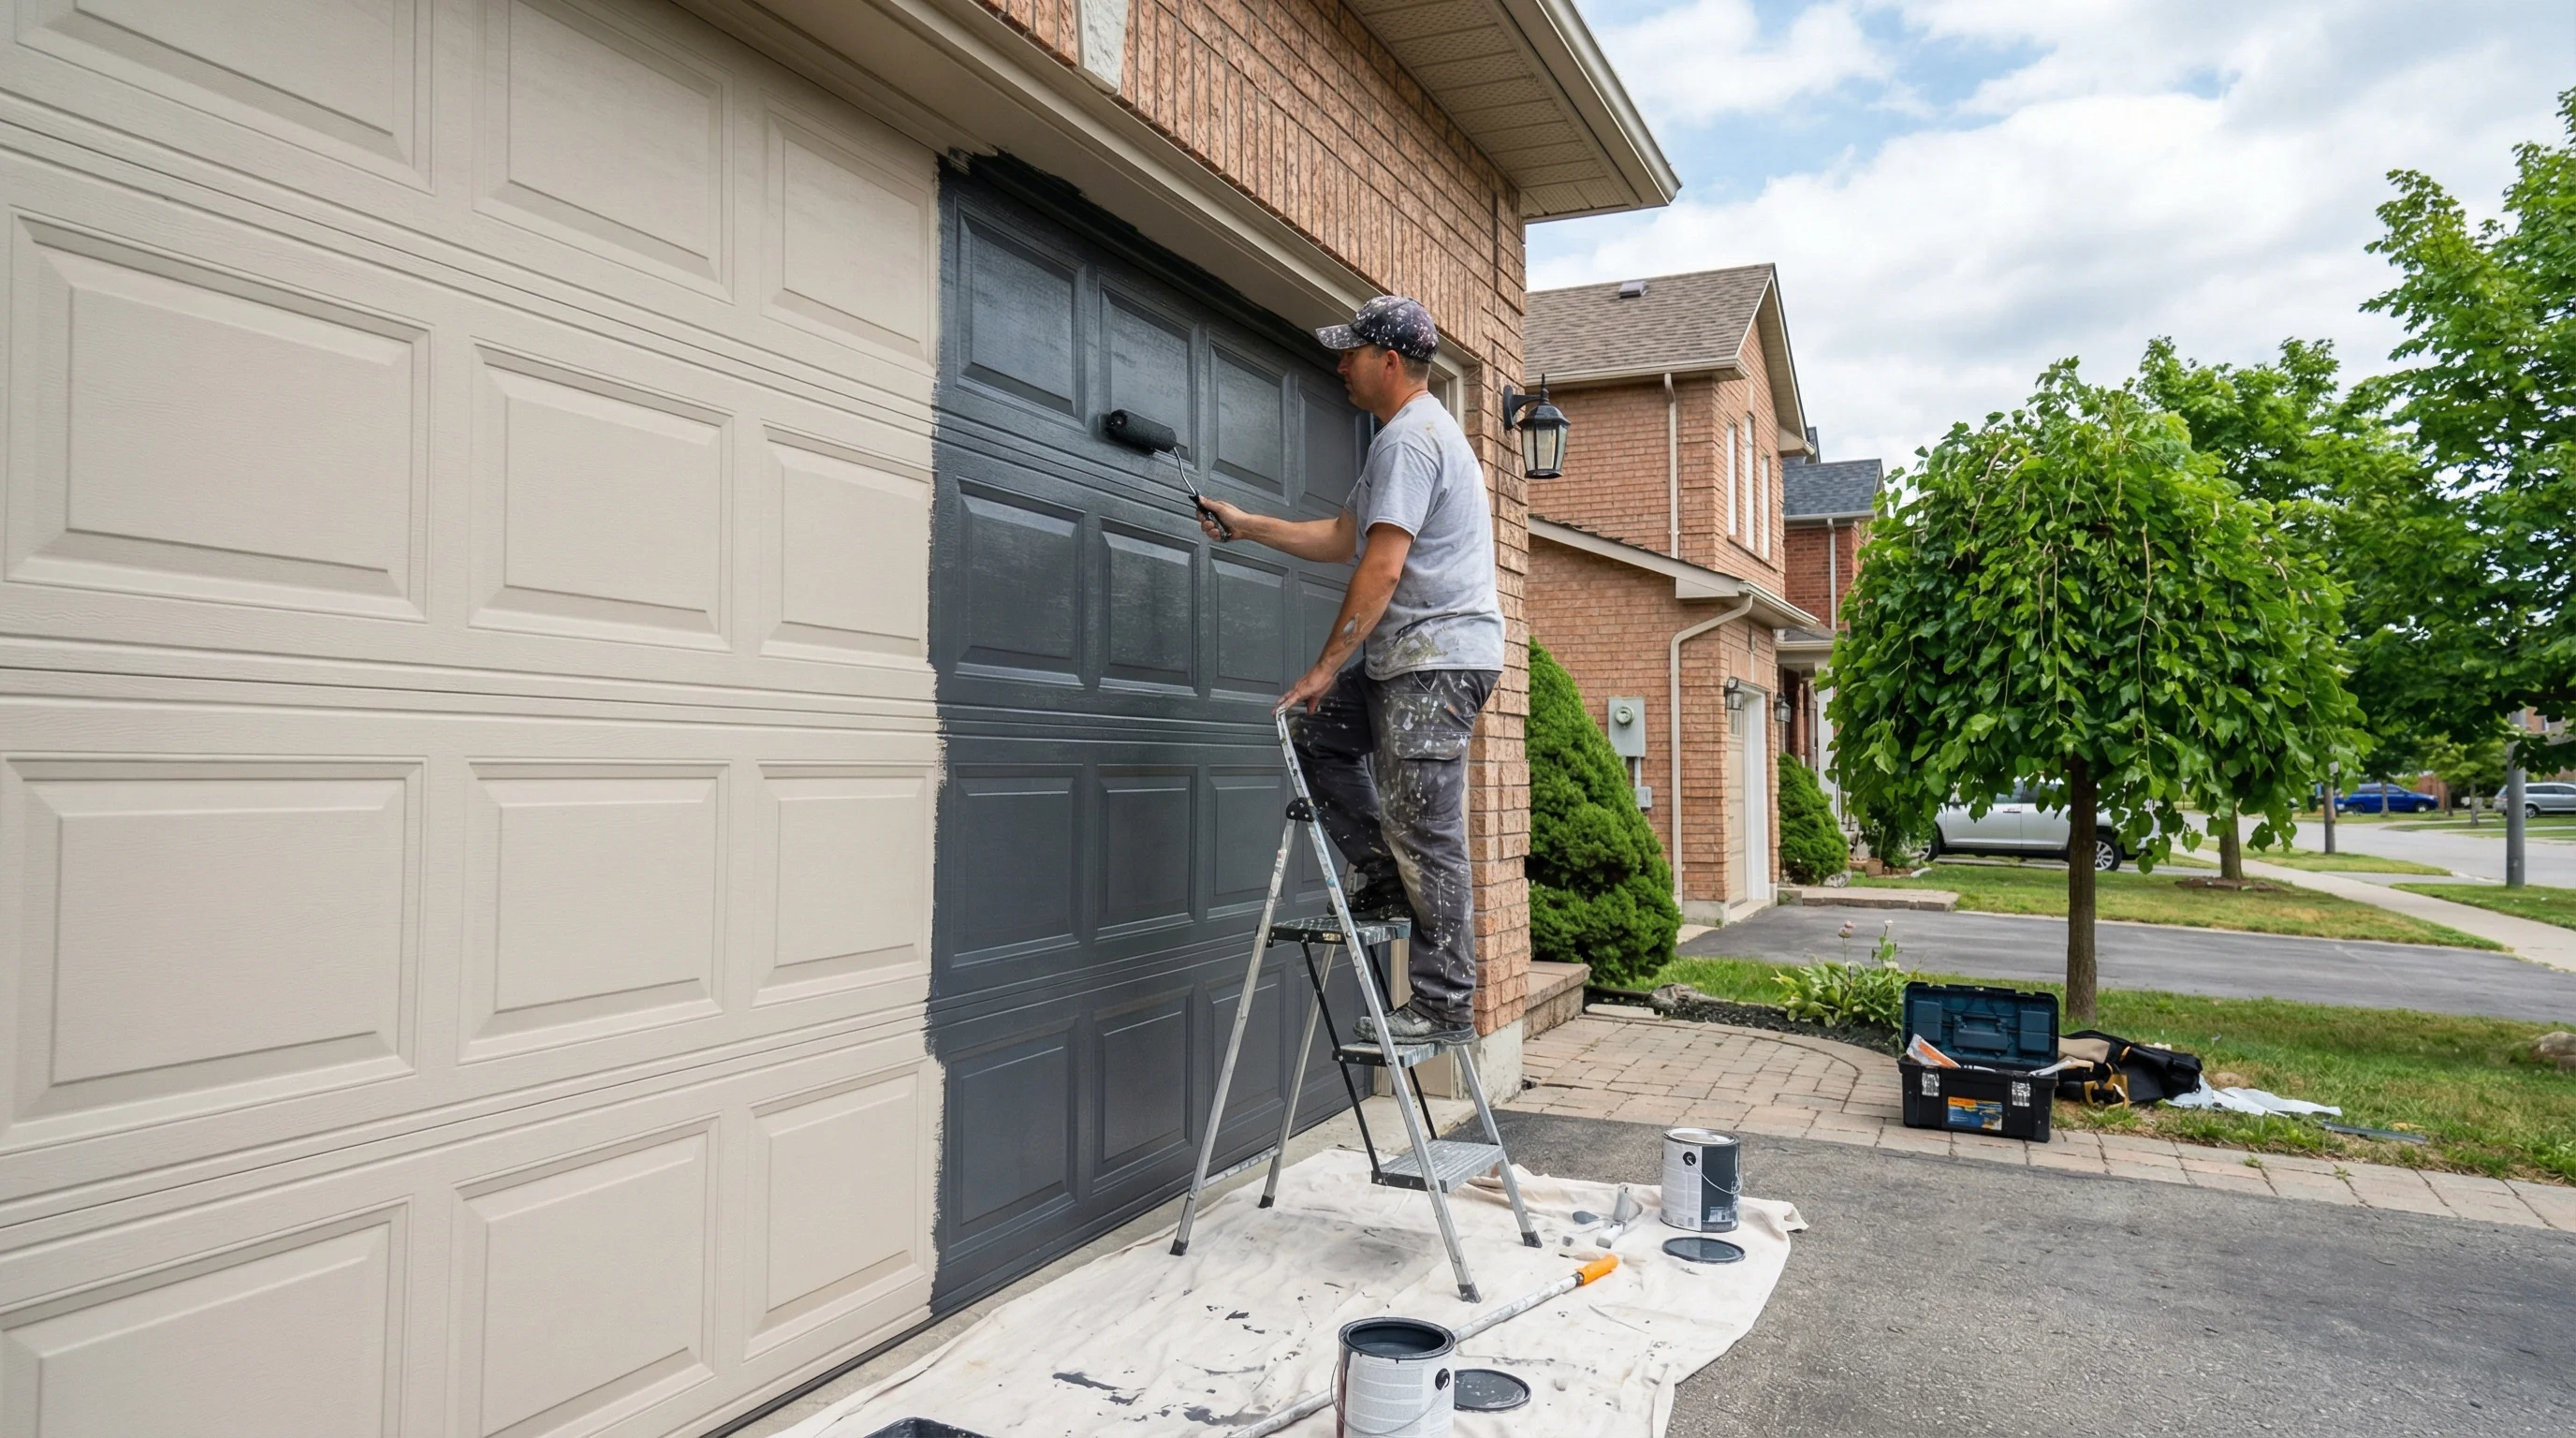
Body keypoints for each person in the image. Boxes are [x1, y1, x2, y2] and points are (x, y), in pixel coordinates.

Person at [1194, 296, 1503, 1045]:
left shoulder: (1413, 440)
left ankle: (1444, 1002)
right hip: (1410, 660)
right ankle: (1385, 874)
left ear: (1388, 361)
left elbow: (1383, 566)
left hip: (1437, 662)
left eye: (1350, 352)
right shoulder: (1400, 439)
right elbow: (1344, 536)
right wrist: (1249, 523)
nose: (1339, 365)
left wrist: (1326, 663)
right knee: (1317, 734)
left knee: (1428, 829)